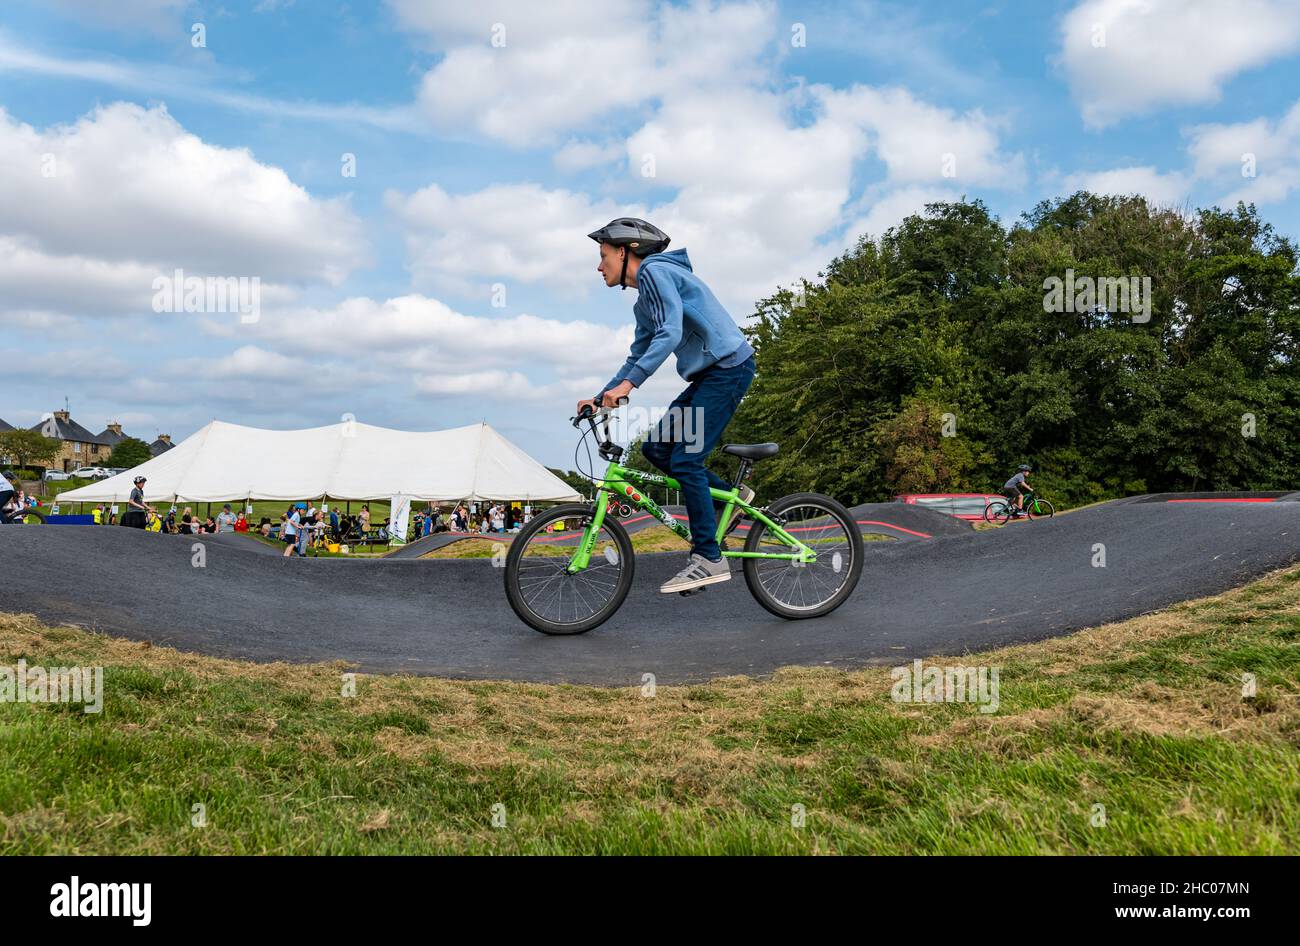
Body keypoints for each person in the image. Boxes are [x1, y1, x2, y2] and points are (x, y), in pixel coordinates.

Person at [578, 217, 756, 594]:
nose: (599, 266)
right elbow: (639, 352)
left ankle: (709, 557)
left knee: (687, 459)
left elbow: (670, 332)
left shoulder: (656, 271)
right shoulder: (645, 301)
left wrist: (628, 385)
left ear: (625, 252)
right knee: (657, 449)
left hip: (729, 369)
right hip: (708, 376)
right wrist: (601, 396)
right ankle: (731, 499)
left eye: (603, 255)